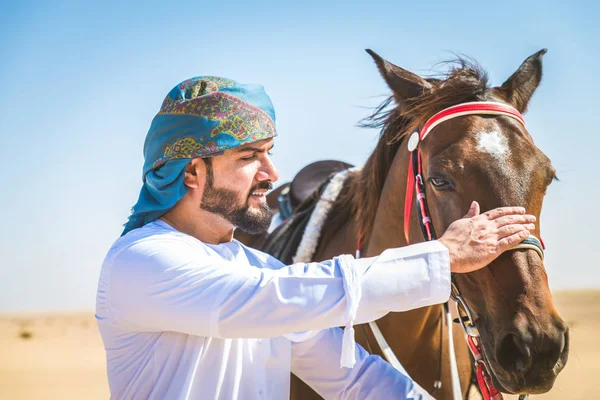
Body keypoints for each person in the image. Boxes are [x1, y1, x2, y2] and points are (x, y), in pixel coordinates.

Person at [95, 76, 536, 400]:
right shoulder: (141, 261)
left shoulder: (260, 268)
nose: (272, 174)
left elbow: (355, 380)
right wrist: (440, 256)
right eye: (249, 157)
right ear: (192, 171)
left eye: (269, 154)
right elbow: (276, 299)